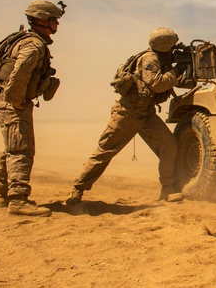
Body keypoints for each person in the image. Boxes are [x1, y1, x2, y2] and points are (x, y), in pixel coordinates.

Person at [65, 28, 194, 206]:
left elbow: (167, 83)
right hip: (128, 113)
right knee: (106, 150)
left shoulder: (161, 61)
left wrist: (183, 72)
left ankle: (168, 189)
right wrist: (177, 69)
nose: (173, 50)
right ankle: (77, 189)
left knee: (168, 145)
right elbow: (157, 84)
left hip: (146, 114)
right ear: (165, 45)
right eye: (172, 47)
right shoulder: (150, 59)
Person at [0, 0, 65, 217]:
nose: (57, 25)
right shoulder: (33, 45)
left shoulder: (26, 40)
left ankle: (3, 196)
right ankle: (18, 200)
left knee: (11, 149)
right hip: (12, 102)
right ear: (42, 20)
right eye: (54, 20)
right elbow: (20, 73)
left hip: (3, 99)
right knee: (21, 150)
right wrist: (16, 100)